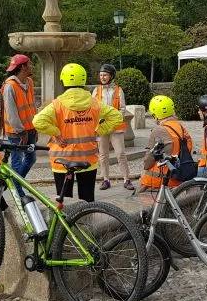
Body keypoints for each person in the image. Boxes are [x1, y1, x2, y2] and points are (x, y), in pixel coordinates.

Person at [33, 63, 123, 202]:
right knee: (87, 201)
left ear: (63, 80)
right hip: (88, 159)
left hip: (62, 160)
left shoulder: (57, 104)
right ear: (83, 80)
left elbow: (38, 121)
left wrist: (56, 132)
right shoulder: (94, 103)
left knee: (65, 202)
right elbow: (117, 117)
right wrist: (99, 130)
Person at [139, 95, 194, 192]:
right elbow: (189, 147)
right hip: (180, 176)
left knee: (142, 180)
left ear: (155, 115)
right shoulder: (180, 127)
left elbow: (149, 158)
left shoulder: (158, 130)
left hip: (161, 179)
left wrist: (144, 170)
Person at [93, 63, 132, 191]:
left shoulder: (118, 90)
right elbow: (92, 108)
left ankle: (126, 179)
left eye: (105, 75)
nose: (102, 77)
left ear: (111, 76)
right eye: (101, 75)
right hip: (102, 127)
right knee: (103, 155)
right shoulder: (96, 90)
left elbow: (122, 108)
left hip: (116, 127)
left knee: (121, 153)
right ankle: (105, 180)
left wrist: (114, 121)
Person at [1, 54, 38, 178]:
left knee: (31, 159)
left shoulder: (29, 82)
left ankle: (16, 184)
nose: (31, 66)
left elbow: (32, 106)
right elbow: (12, 114)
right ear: (23, 67)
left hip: (31, 129)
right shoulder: (10, 86)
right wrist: (21, 132)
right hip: (17, 133)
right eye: (29, 64)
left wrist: (35, 127)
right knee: (16, 162)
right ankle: (19, 194)